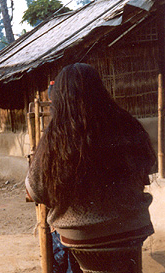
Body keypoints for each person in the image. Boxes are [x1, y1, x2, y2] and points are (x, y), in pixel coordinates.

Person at [26, 63, 156, 250]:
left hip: (80, 237)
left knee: (58, 240)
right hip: (134, 229)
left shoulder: (54, 137)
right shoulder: (127, 123)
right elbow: (147, 170)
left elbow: (36, 192)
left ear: (59, 97)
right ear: (100, 89)